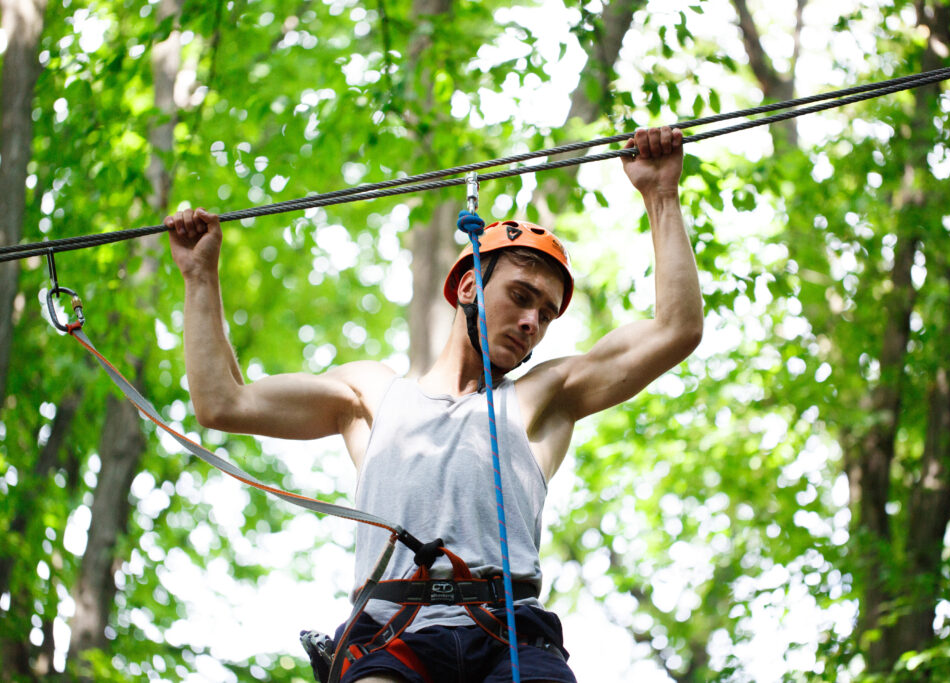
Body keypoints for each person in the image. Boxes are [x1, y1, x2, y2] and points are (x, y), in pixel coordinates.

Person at [165, 125, 702, 683]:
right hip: (394, 634)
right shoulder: (371, 396)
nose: (531, 323)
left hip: (510, 636)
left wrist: (660, 194)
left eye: (545, 314)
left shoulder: (544, 397)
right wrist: (200, 276)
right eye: (521, 296)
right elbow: (223, 402)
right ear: (469, 287)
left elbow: (675, 330)